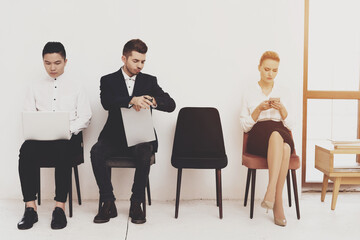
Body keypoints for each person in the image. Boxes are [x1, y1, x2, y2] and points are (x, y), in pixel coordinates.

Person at [91, 39, 175, 224]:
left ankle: (136, 203)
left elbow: (171, 104)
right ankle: (108, 201)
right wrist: (131, 100)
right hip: (113, 137)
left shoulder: (149, 81)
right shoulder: (108, 80)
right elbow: (107, 102)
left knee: (145, 151)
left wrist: (153, 100)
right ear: (124, 58)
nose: (140, 66)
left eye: (143, 61)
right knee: (96, 152)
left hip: (140, 138)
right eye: (135, 61)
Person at [17, 42, 92, 230]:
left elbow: (85, 116)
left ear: (65, 62)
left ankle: (59, 207)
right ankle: (30, 208)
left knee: (63, 150)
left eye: (57, 63)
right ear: (43, 62)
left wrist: (67, 129)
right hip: (41, 138)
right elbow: (28, 113)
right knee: (25, 151)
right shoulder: (34, 86)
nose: (52, 67)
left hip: (67, 138)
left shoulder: (77, 86)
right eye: (47, 63)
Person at [240, 51, 294, 227]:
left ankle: (271, 193)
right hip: (258, 135)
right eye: (267, 69)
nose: (270, 74)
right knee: (282, 145)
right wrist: (258, 110)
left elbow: (291, 124)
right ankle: (277, 202)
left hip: (280, 130)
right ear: (259, 68)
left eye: (275, 70)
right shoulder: (249, 92)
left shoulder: (284, 92)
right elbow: (245, 126)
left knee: (281, 140)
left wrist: (282, 109)